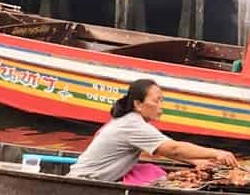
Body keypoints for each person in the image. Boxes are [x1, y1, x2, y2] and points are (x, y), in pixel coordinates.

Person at [68, 79, 238, 184]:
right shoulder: (133, 125)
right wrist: (216, 153)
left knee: (150, 169)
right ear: (138, 104)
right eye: (156, 101)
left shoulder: (130, 120)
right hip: (84, 182)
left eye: (162, 101)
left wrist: (195, 160)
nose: (161, 107)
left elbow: (163, 148)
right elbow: (173, 148)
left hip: (93, 177)